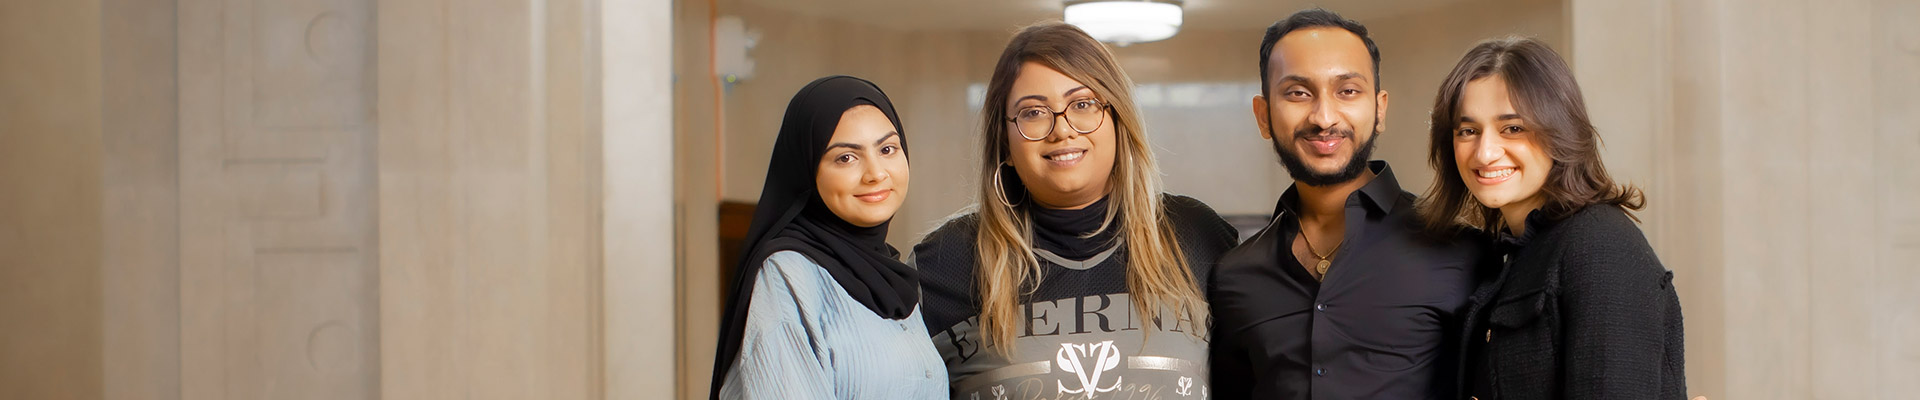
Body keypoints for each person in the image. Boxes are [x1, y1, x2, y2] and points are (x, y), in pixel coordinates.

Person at [913, 22, 1238, 399]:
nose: (1062, 130)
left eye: (1083, 104)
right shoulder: (943, 263)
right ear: (1004, 140)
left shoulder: (1197, 236)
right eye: (1033, 112)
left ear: (1118, 119)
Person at [1208, 8, 1483, 400]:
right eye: (1298, 92)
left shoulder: (1461, 251)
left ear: (1379, 108)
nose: (1324, 117)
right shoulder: (1235, 276)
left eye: (1347, 91)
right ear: (1264, 115)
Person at [1420, 37, 1685, 399]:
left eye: (1512, 128)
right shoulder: (1514, 256)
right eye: (1468, 131)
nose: (1484, 152)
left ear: (1559, 130)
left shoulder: (1599, 246)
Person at [710, 75, 945, 399]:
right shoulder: (787, 275)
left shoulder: (895, 281)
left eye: (888, 149)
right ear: (807, 170)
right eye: (846, 157)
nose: (875, 173)